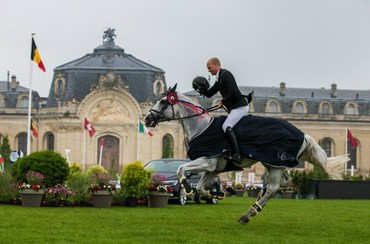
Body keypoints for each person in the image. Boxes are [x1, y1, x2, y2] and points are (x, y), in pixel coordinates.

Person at [193, 57, 249, 164]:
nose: (208, 70)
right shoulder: (219, 78)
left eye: (209, 67)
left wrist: (223, 101)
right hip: (235, 108)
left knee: (225, 126)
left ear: (216, 65)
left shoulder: (226, 74)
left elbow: (233, 92)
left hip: (240, 107)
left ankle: (237, 154)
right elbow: (210, 93)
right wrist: (200, 89)